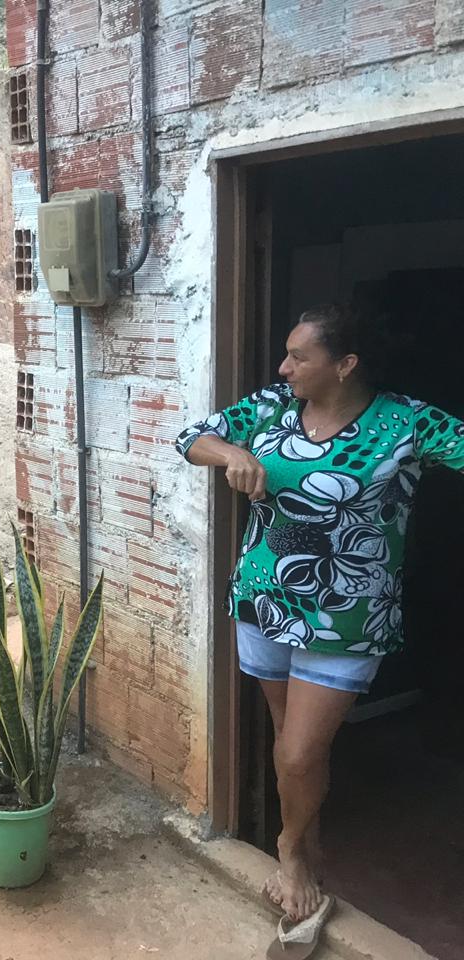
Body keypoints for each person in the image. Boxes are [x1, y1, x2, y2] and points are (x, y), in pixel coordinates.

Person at [176, 303, 464, 927]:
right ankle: (309, 846)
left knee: (300, 752)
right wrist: (230, 455)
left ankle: (289, 849)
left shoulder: (408, 422)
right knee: (291, 746)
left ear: (345, 364)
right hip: (264, 601)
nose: (284, 367)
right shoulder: (272, 407)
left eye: (298, 357)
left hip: (348, 618)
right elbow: (191, 438)